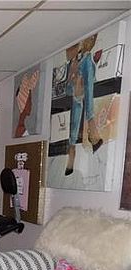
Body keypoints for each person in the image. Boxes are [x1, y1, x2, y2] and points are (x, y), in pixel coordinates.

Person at [65, 34, 103, 176]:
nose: (90, 40)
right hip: (76, 86)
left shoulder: (86, 60)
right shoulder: (78, 59)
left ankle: (73, 147)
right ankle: (90, 131)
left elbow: (88, 87)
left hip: (80, 85)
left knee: (80, 106)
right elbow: (69, 55)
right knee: (76, 115)